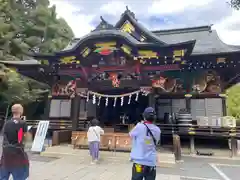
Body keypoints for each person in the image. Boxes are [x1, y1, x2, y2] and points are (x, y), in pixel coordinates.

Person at [129, 107, 161, 180]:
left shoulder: (139, 126)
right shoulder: (157, 130)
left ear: (144, 116)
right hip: (151, 163)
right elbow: (157, 141)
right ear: (154, 117)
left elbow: (131, 134)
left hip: (139, 162)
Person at [0, 104, 29, 180]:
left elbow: (4, 137)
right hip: (18, 157)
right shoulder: (22, 123)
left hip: (6, 157)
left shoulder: (6, 123)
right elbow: (23, 139)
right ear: (21, 111)